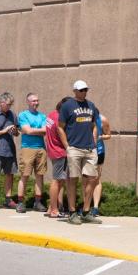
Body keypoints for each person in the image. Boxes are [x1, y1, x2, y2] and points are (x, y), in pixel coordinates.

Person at [57, 80, 101, 225]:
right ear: (75, 91)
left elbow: (94, 125)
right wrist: (67, 146)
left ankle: (86, 212)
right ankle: (72, 212)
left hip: (89, 148)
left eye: (85, 90)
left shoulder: (91, 105)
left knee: (93, 178)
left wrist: (94, 141)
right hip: (74, 148)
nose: (84, 92)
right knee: (72, 180)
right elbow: (60, 127)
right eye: (81, 90)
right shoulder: (67, 106)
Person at [16, 93, 48, 213]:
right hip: (27, 148)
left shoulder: (42, 116)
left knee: (40, 175)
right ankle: (20, 202)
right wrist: (37, 130)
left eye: (37, 101)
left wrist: (33, 130)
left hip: (41, 148)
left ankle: (38, 202)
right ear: (28, 102)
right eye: (33, 101)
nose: (36, 103)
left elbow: (45, 131)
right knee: (25, 175)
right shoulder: (23, 115)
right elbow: (27, 131)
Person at [44, 97, 70, 218]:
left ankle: (51, 207)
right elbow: (62, 135)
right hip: (60, 152)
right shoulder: (60, 119)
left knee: (59, 180)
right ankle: (54, 210)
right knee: (57, 180)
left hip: (52, 150)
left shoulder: (52, 114)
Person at [90, 112, 111, 218]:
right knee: (86, 179)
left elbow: (109, 135)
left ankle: (95, 207)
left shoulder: (102, 119)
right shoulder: (83, 118)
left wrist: (101, 137)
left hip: (99, 151)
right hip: (85, 151)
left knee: (97, 178)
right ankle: (86, 205)